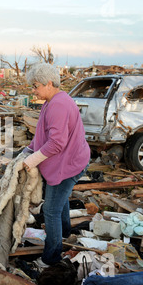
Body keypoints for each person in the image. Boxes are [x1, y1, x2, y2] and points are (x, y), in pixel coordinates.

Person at [22, 63, 90, 269]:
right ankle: (66, 232)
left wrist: (32, 160)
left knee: (51, 209)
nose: (33, 91)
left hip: (69, 163)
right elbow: (43, 135)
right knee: (60, 199)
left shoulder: (59, 105)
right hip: (68, 160)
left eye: (36, 86)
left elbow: (57, 143)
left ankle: (51, 257)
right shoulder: (51, 102)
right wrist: (28, 150)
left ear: (49, 83)